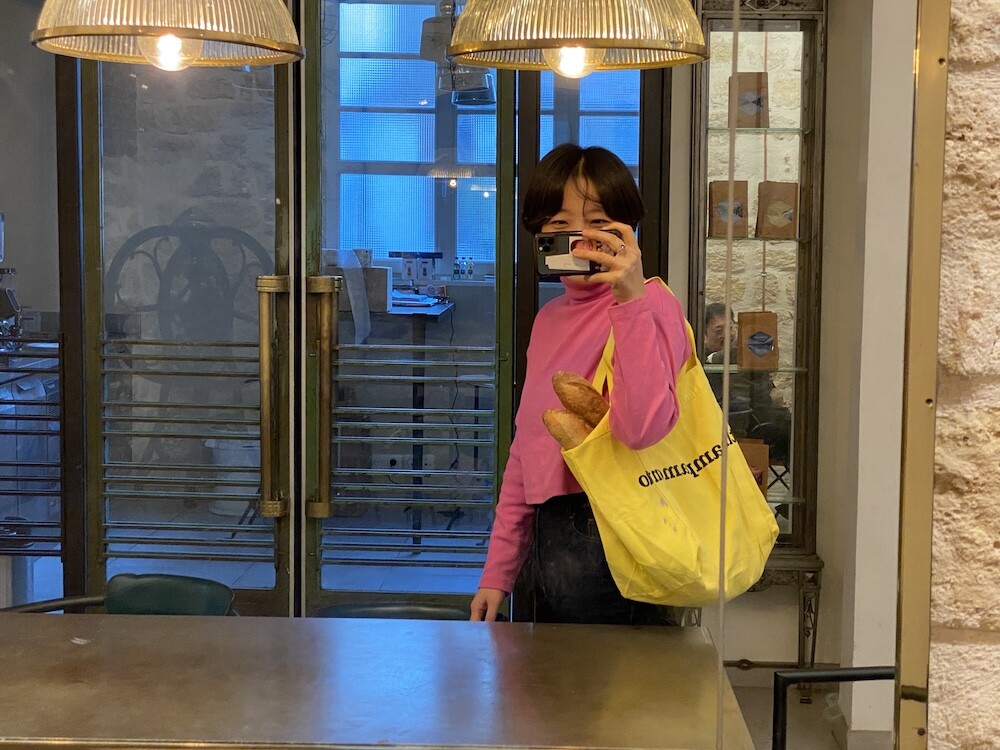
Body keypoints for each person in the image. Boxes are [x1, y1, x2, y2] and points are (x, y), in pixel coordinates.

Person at [469, 144, 691, 624]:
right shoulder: (549, 319)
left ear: (626, 229)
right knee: (546, 674)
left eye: (598, 221)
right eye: (560, 222)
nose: (579, 238)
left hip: (622, 539)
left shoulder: (653, 305)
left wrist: (630, 300)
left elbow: (642, 430)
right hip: (548, 544)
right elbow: (527, 451)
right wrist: (497, 572)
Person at [702, 303, 791, 466]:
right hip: (731, 428)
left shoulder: (743, 356)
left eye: (730, 328)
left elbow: (768, 388)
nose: (727, 335)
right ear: (704, 335)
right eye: (719, 331)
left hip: (760, 419)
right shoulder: (704, 361)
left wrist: (772, 392)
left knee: (798, 431)